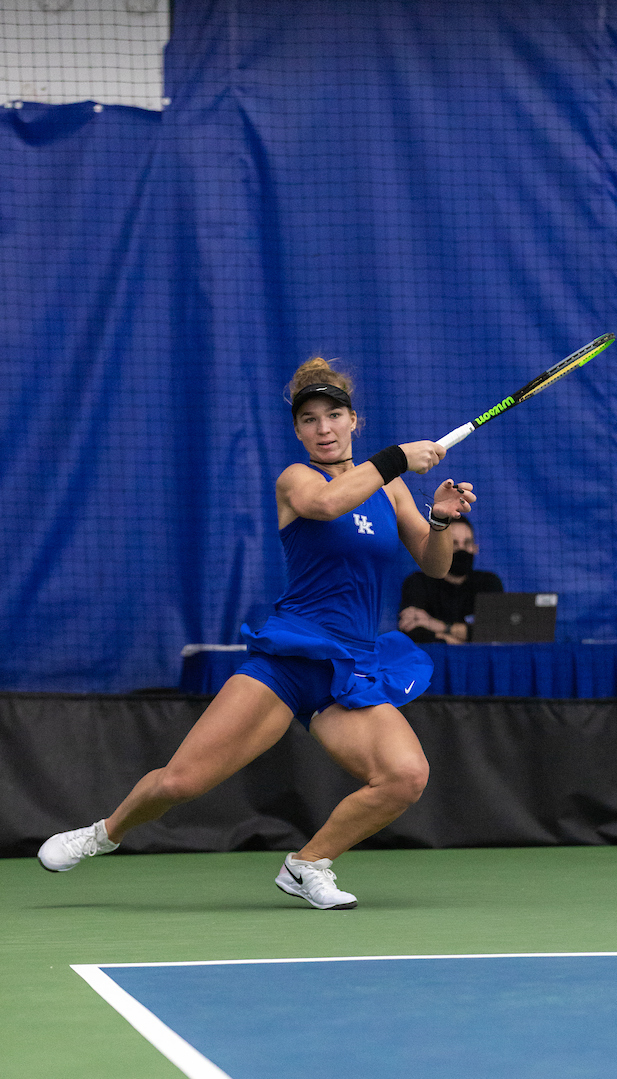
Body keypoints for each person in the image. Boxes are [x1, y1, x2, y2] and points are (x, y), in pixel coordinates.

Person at [37, 357, 476, 909]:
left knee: (405, 776)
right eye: (310, 419)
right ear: (298, 431)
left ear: (353, 420)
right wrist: (395, 459)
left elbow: (434, 567)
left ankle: (309, 864)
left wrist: (438, 520)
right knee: (180, 783)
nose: (323, 428)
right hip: (289, 660)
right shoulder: (298, 481)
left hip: (352, 669)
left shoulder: (391, 493)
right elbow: (329, 503)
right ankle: (103, 833)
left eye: (333, 415)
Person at [398, 516, 502, 644]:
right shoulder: (418, 583)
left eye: (467, 543)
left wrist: (440, 627)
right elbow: (412, 631)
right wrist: (461, 639)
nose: (462, 550)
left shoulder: (488, 583)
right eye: (454, 543)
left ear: (475, 548)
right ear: (440, 547)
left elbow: (497, 632)